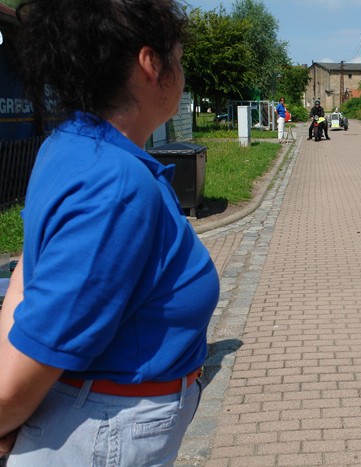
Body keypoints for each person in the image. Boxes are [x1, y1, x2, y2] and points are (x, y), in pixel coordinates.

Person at [0, 1, 220, 465]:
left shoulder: (73, 144)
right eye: (177, 59)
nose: (180, 71)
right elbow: (21, 375)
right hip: (101, 439)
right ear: (149, 64)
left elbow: (30, 270)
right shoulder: (116, 185)